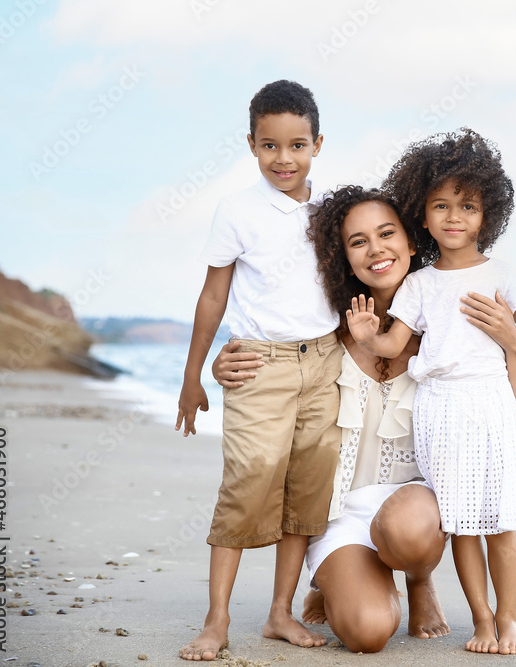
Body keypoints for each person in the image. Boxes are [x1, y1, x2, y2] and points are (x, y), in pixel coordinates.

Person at [210, 185, 516, 653]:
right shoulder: (324, 329)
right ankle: (335, 583)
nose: (376, 249)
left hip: (417, 505)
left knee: (409, 531)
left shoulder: (449, 330)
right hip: (338, 513)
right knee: (366, 633)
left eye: (387, 233)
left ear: (411, 240)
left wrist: (515, 348)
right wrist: (222, 367)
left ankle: (419, 580)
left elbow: (507, 421)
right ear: (345, 256)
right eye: (359, 241)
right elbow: (274, 368)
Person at [348, 128, 516, 655]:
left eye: (468, 206)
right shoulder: (419, 283)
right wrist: (368, 335)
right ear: (421, 217)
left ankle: (510, 619)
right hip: (441, 409)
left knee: (501, 521)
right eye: (441, 205)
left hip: (492, 403)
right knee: (463, 523)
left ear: (486, 214)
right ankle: (482, 621)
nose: (454, 216)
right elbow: (394, 341)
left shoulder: (503, 274)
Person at [175, 80, 339, 661]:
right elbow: (212, 297)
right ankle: (216, 619)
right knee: (247, 484)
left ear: (318, 143)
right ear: (252, 145)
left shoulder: (332, 210)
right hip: (256, 365)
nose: (284, 159)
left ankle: (279, 613)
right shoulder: (238, 210)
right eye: (270, 146)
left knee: (306, 491)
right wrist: (194, 374)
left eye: (297, 145)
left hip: (325, 362)